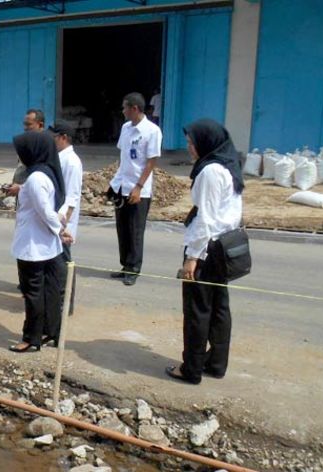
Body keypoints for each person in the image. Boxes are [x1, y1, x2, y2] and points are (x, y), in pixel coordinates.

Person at [166, 119, 244, 385]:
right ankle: (216, 363)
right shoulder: (228, 165)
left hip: (207, 249)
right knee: (219, 307)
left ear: (206, 143)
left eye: (192, 143)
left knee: (198, 310)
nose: (189, 148)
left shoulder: (210, 171)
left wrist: (192, 257)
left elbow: (205, 219)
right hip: (224, 245)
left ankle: (192, 368)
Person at [9, 131, 71, 353]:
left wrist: (60, 229)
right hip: (48, 245)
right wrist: (60, 231)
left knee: (33, 292)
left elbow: (45, 211)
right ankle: (51, 331)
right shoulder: (46, 172)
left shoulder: (35, 178)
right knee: (50, 291)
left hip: (32, 246)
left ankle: (31, 338)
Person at [109, 92, 162, 286]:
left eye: (125, 108)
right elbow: (124, 158)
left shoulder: (152, 131)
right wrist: (114, 183)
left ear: (135, 109)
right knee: (122, 228)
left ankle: (134, 268)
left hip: (139, 189)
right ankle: (125, 265)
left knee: (135, 230)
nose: (122, 111)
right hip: (122, 186)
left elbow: (151, 162)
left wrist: (139, 187)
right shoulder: (125, 128)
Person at [48, 119, 83, 261]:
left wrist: (62, 225)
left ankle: (67, 284)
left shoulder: (72, 162)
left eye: (54, 138)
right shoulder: (58, 158)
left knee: (63, 261)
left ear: (63, 137)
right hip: (54, 219)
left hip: (62, 222)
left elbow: (72, 198)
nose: (51, 141)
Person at [6, 108, 46, 198]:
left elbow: (42, 179)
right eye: (24, 124)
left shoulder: (45, 147)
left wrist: (21, 188)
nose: (25, 128)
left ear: (40, 125)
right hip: (21, 195)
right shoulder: (26, 143)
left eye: (28, 125)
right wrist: (14, 185)